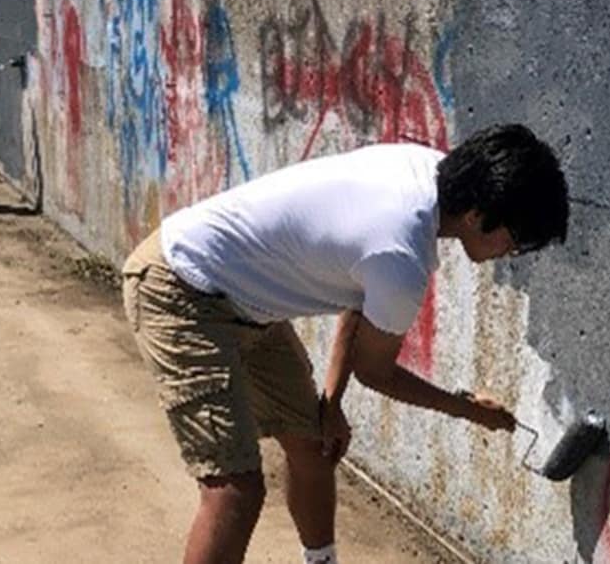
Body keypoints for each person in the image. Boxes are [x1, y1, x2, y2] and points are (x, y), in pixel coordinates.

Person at [121, 123, 570, 564]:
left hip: (249, 304)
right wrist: (469, 409)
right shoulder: (401, 255)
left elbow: (359, 294)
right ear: (476, 216)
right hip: (180, 288)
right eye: (513, 242)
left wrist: (331, 404)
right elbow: (376, 372)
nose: (508, 257)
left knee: (313, 444)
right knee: (235, 488)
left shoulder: (424, 172)